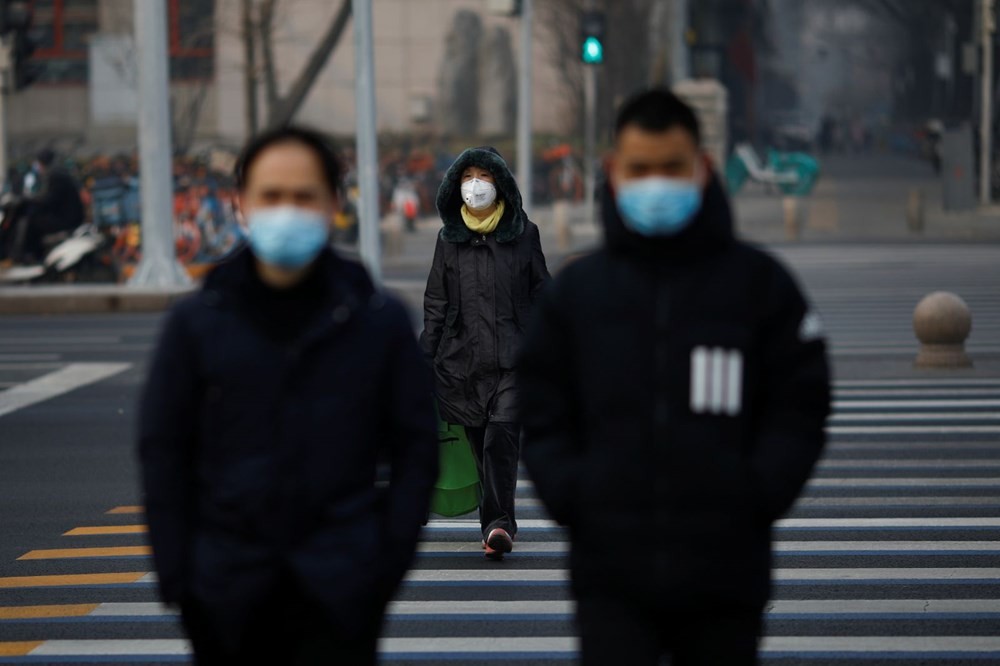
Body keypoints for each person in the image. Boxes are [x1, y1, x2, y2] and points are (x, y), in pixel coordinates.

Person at [518, 89, 831, 665]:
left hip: (726, 574)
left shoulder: (759, 286)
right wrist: (574, 494)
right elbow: (541, 406)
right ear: (613, 173)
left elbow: (800, 405)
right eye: (640, 169)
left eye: (671, 167)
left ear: (703, 169)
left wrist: (756, 492)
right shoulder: (576, 294)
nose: (655, 183)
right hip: (609, 574)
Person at [138, 126, 439, 665]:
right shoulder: (196, 323)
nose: (287, 211)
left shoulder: (378, 321)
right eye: (271, 196)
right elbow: (163, 451)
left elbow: (416, 449)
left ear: (333, 205)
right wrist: (180, 580)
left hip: (342, 589)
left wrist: (384, 564)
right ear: (242, 205)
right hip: (226, 592)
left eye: (304, 197)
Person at [421, 146, 550, 560]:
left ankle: (499, 523)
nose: (475, 185)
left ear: (500, 183)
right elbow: (436, 304)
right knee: (480, 443)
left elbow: (542, 293)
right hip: (461, 364)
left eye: (484, 175)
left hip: (513, 359)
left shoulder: (524, 235)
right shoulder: (449, 240)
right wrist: (424, 359)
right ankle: (491, 520)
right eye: (467, 176)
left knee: (501, 438)